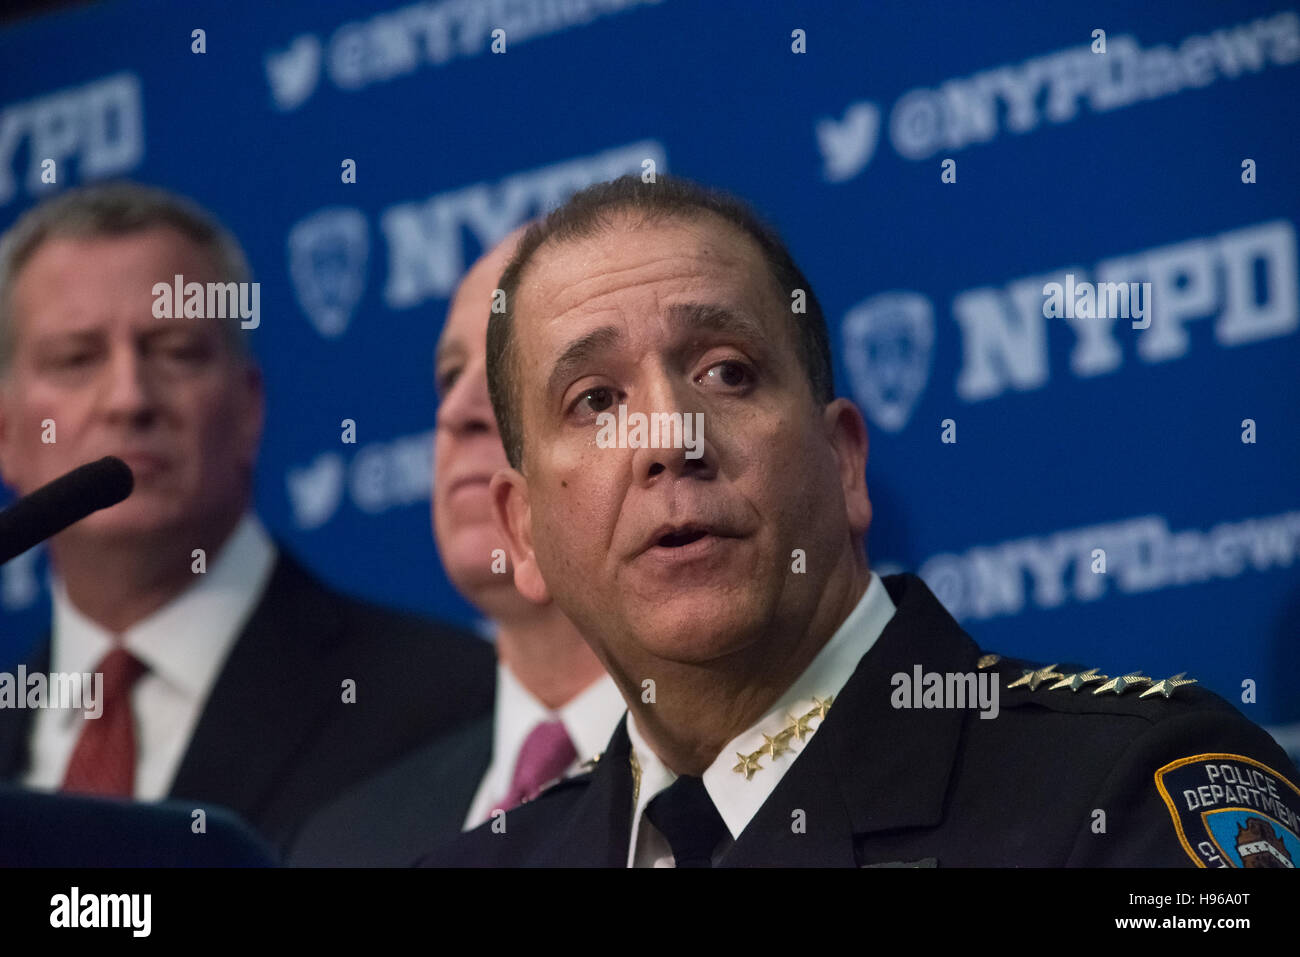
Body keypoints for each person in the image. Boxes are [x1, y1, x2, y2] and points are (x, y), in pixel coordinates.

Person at [421, 174, 1300, 867]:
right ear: (525, 531)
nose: (671, 436)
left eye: (726, 373)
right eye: (596, 399)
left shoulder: (1136, 795)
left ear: (844, 461)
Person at [0, 181, 493, 854]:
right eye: (77, 359)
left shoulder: (449, 703)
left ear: (249, 408)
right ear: (4, 432)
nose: (129, 398)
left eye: (175, 351)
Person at [287, 228, 624, 865]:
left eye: (509, 367)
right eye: (449, 375)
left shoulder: (754, 780)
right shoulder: (340, 846)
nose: (458, 412)